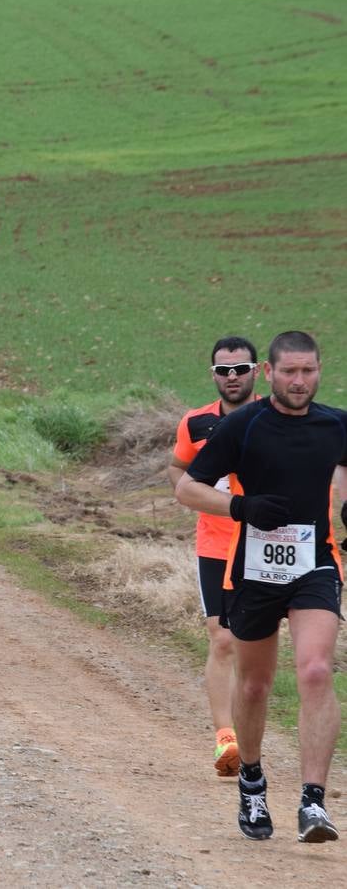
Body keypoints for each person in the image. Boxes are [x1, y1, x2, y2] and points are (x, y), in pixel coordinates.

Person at [175, 330, 346, 844]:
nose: (300, 381)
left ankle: (313, 802)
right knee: (253, 686)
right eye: (290, 372)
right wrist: (242, 508)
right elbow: (187, 486)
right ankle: (251, 781)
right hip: (252, 568)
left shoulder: (336, 424)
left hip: (315, 563)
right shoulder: (243, 426)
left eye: (309, 371)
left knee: (316, 669)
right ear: (269, 375)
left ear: (319, 370)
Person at [166, 336, 260, 779]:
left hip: (263, 543)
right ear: (214, 376)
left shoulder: (273, 419)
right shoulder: (196, 422)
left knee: (254, 644)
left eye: (240, 368)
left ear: (256, 371)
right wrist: (194, 497)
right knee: (221, 638)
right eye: (224, 371)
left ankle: (255, 731)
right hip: (216, 544)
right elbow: (178, 467)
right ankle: (227, 738)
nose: (232, 377)